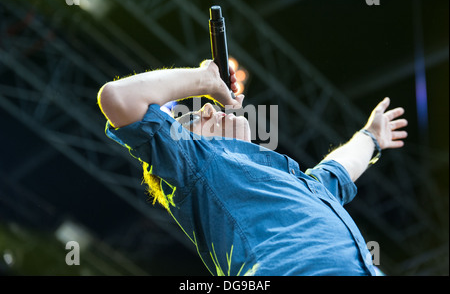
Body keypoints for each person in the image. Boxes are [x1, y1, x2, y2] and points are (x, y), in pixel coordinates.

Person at [97, 60, 408, 276]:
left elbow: (339, 168)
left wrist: (371, 137)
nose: (205, 107)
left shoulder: (297, 183)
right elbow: (119, 97)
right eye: (190, 120)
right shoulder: (196, 167)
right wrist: (205, 79)